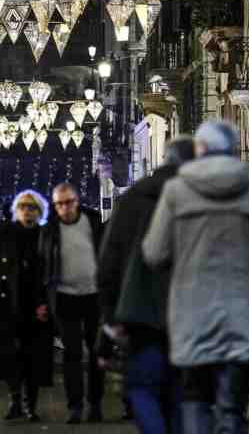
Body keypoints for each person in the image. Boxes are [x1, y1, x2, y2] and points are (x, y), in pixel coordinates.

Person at [143, 120, 249, 434]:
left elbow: (154, 252)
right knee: (232, 406)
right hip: (245, 312)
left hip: (192, 313)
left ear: (199, 150)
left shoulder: (176, 191)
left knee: (195, 400)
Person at [97, 136, 195, 433]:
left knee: (142, 387)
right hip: (189, 310)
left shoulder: (133, 199)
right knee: (180, 392)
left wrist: (111, 317)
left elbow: (109, 262)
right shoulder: (199, 197)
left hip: (140, 310)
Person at [0, 190, 54, 423]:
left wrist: (46, 302)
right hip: (7, 303)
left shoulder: (45, 234)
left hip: (36, 304)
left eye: (32, 206)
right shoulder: (5, 232)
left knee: (33, 357)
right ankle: (15, 399)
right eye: (24, 206)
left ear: (39, 211)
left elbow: (51, 272)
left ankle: (30, 405)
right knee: (10, 355)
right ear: (17, 210)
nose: (27, 210)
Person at [44, 182, 106, 423]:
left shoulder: (92, 221)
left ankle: (95, 403)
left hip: (93, 296)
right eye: (60, 203)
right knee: (72, 353)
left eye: (69, 202)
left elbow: (105, 252)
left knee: (96, 351)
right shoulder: (50, 228)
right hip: (64, 298)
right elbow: (44, 264)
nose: (65, 207)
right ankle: (75, 405)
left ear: (77, 201)